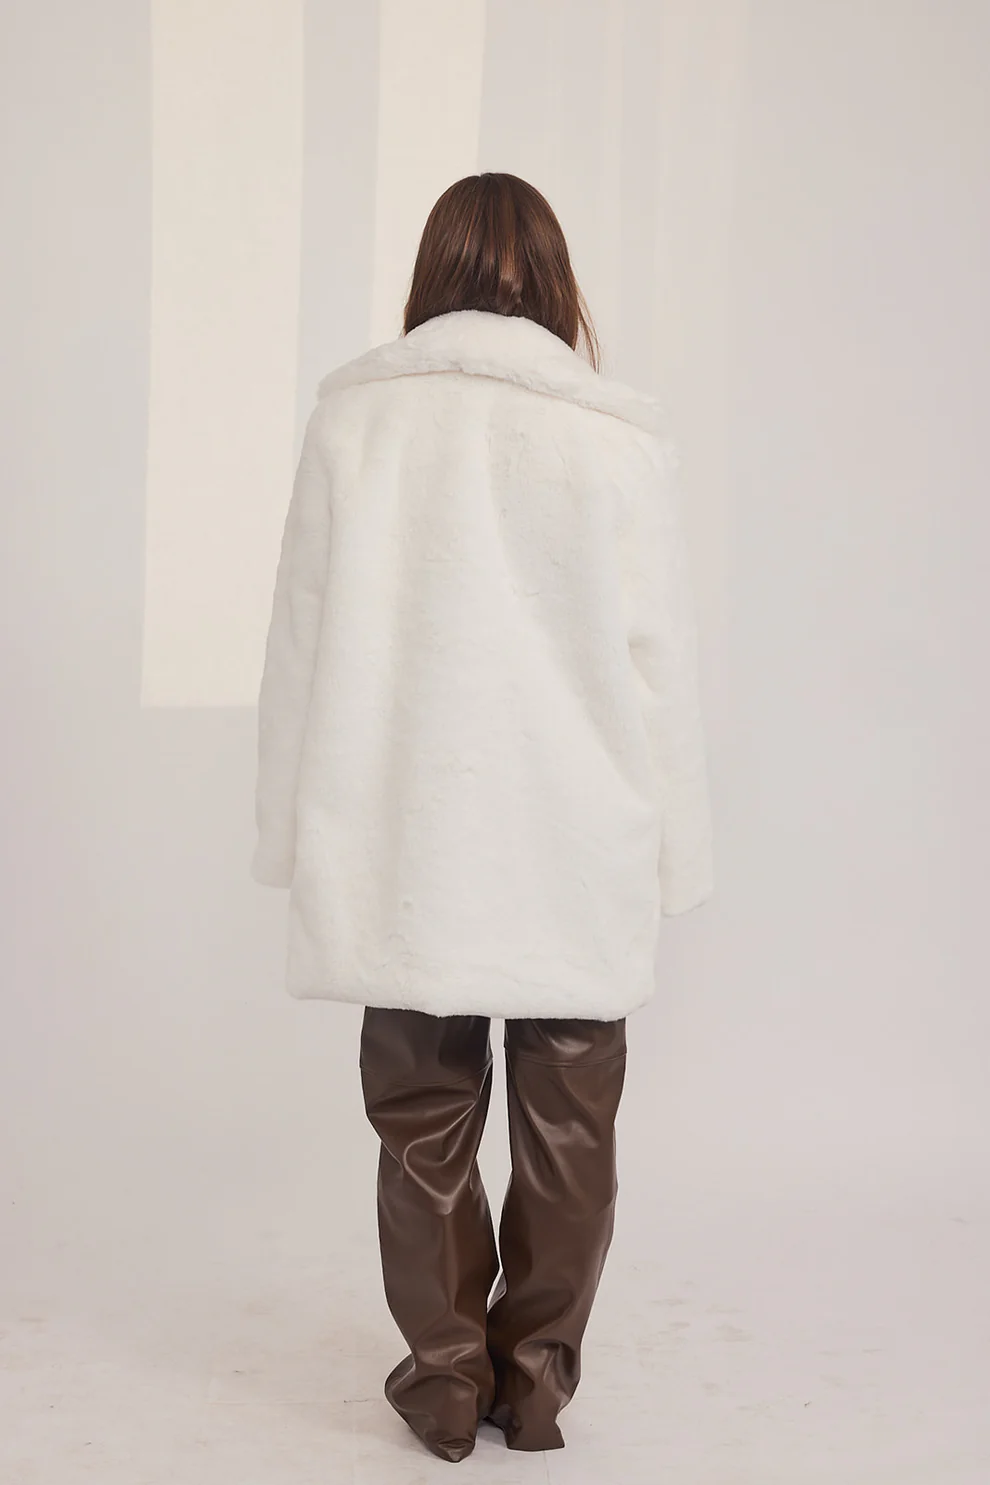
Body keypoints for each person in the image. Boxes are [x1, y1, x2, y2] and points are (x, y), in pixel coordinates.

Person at [250, 172, 713, 1463]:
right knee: (571, 1125)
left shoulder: (357, 421)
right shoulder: (614, 437)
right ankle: (538, 1384)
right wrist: (676, 850)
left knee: (421, 1118)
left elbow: (300, 642)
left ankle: (446, 1379)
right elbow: (660, 665)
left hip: (403, 827)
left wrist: (289, 830)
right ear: (555, 278)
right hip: (576, 826)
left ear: (433, 270)